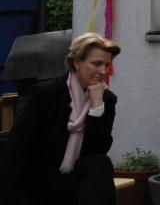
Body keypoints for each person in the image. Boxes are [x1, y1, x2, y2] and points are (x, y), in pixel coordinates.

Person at [3, 32, 120, 205]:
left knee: (100, 163)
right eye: (96, 64)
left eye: (107, 65)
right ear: (76, 62)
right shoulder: (45, 94)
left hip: (72, 180)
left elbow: (97, 150)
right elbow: (19, 148)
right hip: (38, 180)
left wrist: (96, 109)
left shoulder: (106, 100)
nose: (103, 71)